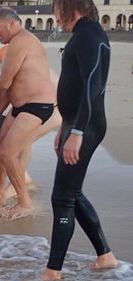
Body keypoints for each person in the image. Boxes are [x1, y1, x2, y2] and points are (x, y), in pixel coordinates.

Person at [41, 0, 117, 279]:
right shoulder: (83, 35)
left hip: (87, 126)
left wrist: (77, 132)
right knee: (71, 192)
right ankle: (105, 256)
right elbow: (74, 85)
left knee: (62, 197)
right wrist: (66, 127)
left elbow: (92, 87)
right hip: (77, 125)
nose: (56, 17)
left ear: (73, 7)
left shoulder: (90, 36)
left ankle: (52, 272)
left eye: (58, 10)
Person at [0, 7, 56, 219]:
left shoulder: (22, 40)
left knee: (8, 152)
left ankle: (24, 202)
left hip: (38, 106)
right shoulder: (13, 44)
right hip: (20, 107)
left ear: (11, 23)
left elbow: (3, 82)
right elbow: (9, 90)